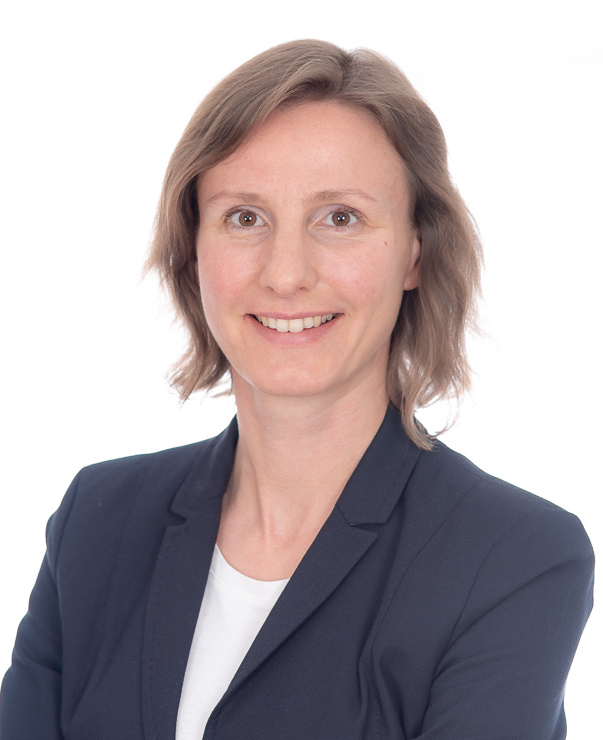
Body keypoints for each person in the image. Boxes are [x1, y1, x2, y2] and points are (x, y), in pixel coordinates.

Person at [0, 39, 593, 739]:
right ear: (194, 251)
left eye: (339, 217)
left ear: (415, 251)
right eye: (244, 217)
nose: (285, 274)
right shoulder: (98, 522)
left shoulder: (514, 558)